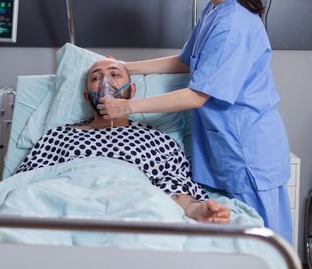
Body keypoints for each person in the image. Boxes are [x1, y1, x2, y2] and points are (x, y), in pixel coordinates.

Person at [99, 0, 291, 242]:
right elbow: (185, 61)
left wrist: (128, 106)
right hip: (223, 149)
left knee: (261, 246)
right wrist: (125, 67)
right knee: (228, 244)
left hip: (247, 153)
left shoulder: (233, 26)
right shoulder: (214, 10)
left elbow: (198, 95)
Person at [12, 58, 230, 223]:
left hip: (132, 204)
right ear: (88, 96)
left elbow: (175, 190)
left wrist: (195, 210)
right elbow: (26, 181)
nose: (105, 82)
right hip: (63, 199)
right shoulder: (59, 135)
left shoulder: (156, 140)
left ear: (132, 90)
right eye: (96, 78)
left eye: (115, 75)